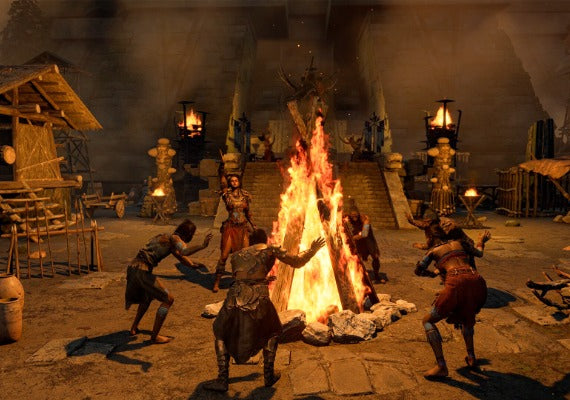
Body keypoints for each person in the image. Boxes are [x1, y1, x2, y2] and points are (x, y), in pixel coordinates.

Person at [204, 229, 326, 392]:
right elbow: (297, 262)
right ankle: (268, 375)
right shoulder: (270, 249)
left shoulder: (237, 255)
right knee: (272, 331)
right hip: (258, 297)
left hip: (234, 297)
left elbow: (241, 277)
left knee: (221, 332)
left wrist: (263, 278)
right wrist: (312, 250)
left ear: (250, 241)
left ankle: (222, 379)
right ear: (265, 240)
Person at [414, 227, 491, 379]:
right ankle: (471, 357)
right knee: (467, 316)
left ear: (430, 238)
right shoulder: (460, 243)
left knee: (428, 321)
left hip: (455, 282)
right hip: (476, 280)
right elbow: (479, 252)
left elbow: (419, 271)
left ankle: (441, 366)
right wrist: (481, 241)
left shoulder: (432, 251)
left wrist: (434, 273)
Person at [125, 219, 213, 344]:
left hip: (134, 268)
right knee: (168, 299)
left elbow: (181, 257)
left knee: (146, 298)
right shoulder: (175, 239)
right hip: (142, 270)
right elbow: (184, 251)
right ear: (188, 233)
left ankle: (134, 328)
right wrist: (202, 246)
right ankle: (154, 336)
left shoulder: (167, 238)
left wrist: (192, 265)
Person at [213, 174, 255, 293]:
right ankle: (217, 282)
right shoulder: (227, 194)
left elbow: (248, 213)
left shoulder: (245, 195)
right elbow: (223, 184)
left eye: (236, 180)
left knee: (245, 256)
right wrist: (222, 171)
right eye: (232, 181)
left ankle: (242, 281)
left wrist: (254, 225)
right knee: (224, 255)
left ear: (239, 181)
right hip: (231, 227)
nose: (234, 182)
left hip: (243, 228)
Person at [343, 206, 383, 283]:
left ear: (358, 214)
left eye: (355, 215)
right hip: (360, 242)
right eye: (352, 215)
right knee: (357, 258)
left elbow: (364, 234)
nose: (354, 217)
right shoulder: (349, 217)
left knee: (375, 257)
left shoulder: (365, 219)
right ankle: (359, 276)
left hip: (368, 240)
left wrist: (353, 238)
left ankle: (377, 275)